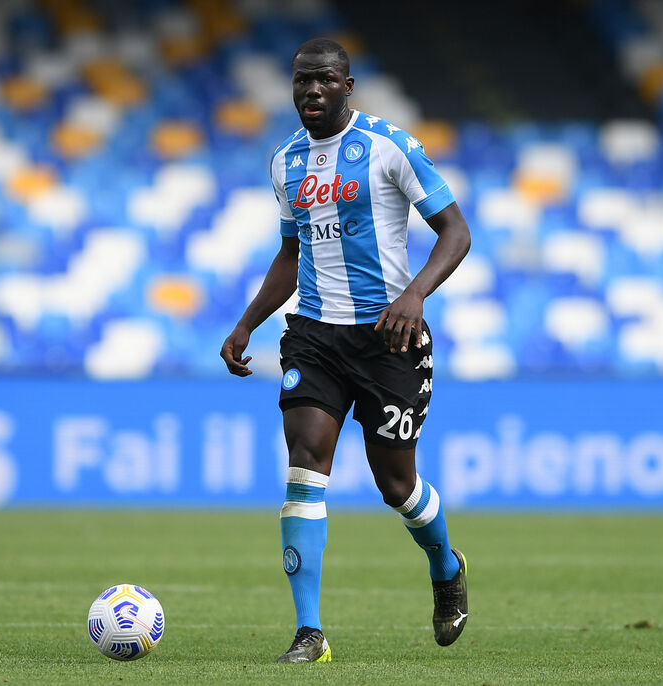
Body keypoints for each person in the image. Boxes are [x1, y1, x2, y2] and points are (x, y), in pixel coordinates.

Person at [220, 37, 472, 663]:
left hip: (391, 336)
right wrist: (247, 324)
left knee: (396, 485)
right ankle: (311, 632)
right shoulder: (284, 162)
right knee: (306, 462)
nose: (312, 90)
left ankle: (445, 563)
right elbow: (290, 253)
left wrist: (414, 295)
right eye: (302, 80)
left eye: (325, 80)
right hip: (315, 335)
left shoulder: (388, 146)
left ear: (348, 85)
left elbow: (456, 231)